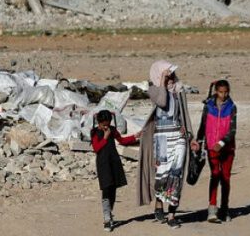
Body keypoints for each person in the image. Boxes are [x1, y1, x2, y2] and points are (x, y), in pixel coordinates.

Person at [137, 60, 192, 229]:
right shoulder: (154, 90)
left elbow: (184, 113)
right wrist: (161, 81)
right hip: (161, 138)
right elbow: (161, 102)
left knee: (176, 173)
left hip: (178, 136)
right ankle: (159, 204)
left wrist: (188, 132)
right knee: (162, 173)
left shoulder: (178, 90)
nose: (171, 77)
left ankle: (172, 215)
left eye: (171, 74)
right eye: (168, 74)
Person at [191, 79, 237, 223]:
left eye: (226, 92)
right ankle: (212, 209)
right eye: (221, 92)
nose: (223, 95)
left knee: (226, 178)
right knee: (215, 175)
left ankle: (224, 208)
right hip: (211, 147)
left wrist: (222, 142)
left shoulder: (232, 107)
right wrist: (198, 141)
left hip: (227, 148)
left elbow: (232, 129)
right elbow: (203, 125)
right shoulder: (208, 106)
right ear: (216, 91)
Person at [91, 109, 137, 232]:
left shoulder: (112, 130)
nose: (106, 126)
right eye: (103, 124)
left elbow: (122, 141)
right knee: (106, 188)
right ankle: (106, 218)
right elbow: (96, 148)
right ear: (99, 123)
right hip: (103, 164)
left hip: (114, 161)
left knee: (113, 188)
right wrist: (105, 138)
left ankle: (109, 212)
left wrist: (135, 136)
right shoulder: (95, 132)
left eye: (107, 124)